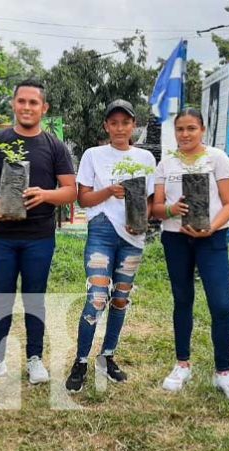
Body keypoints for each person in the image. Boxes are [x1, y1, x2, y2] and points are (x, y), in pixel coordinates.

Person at [0, 80, 76, 386]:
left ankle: (35, 359)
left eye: (33, 102)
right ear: (13, 104)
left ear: (44, 108)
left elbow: (70, 191)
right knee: (1, 298)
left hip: (39, 236)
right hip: (2, 236)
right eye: (22, 101)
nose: (27, 107)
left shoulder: (54, 146)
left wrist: (45, 195)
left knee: (34, 298)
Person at [152, 108, 229, 400]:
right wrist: (171, 210)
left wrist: (212, 228)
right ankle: (182, 364)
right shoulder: (165, 164)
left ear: (202, 129)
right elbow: (156, 208)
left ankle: (224, 372)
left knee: (220, 304)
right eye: (180, 129)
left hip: (212, 239)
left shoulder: (217, 158)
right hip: (176, 238)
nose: (185, 134)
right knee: (182, 300)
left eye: (191, 128)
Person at [65, 99, 156, 393]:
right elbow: (83, 199)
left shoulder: (145, 158)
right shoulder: (94, 155)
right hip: (102, 230)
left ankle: (107, 356)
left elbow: (150, 201)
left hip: (133, 236)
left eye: (125, 122)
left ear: (134, 125)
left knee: (120, 299)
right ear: (106, 126)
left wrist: (140, 221)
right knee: (97, 297)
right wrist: (110, 191)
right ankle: (80, 360)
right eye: (113, 122)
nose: (119, 128)